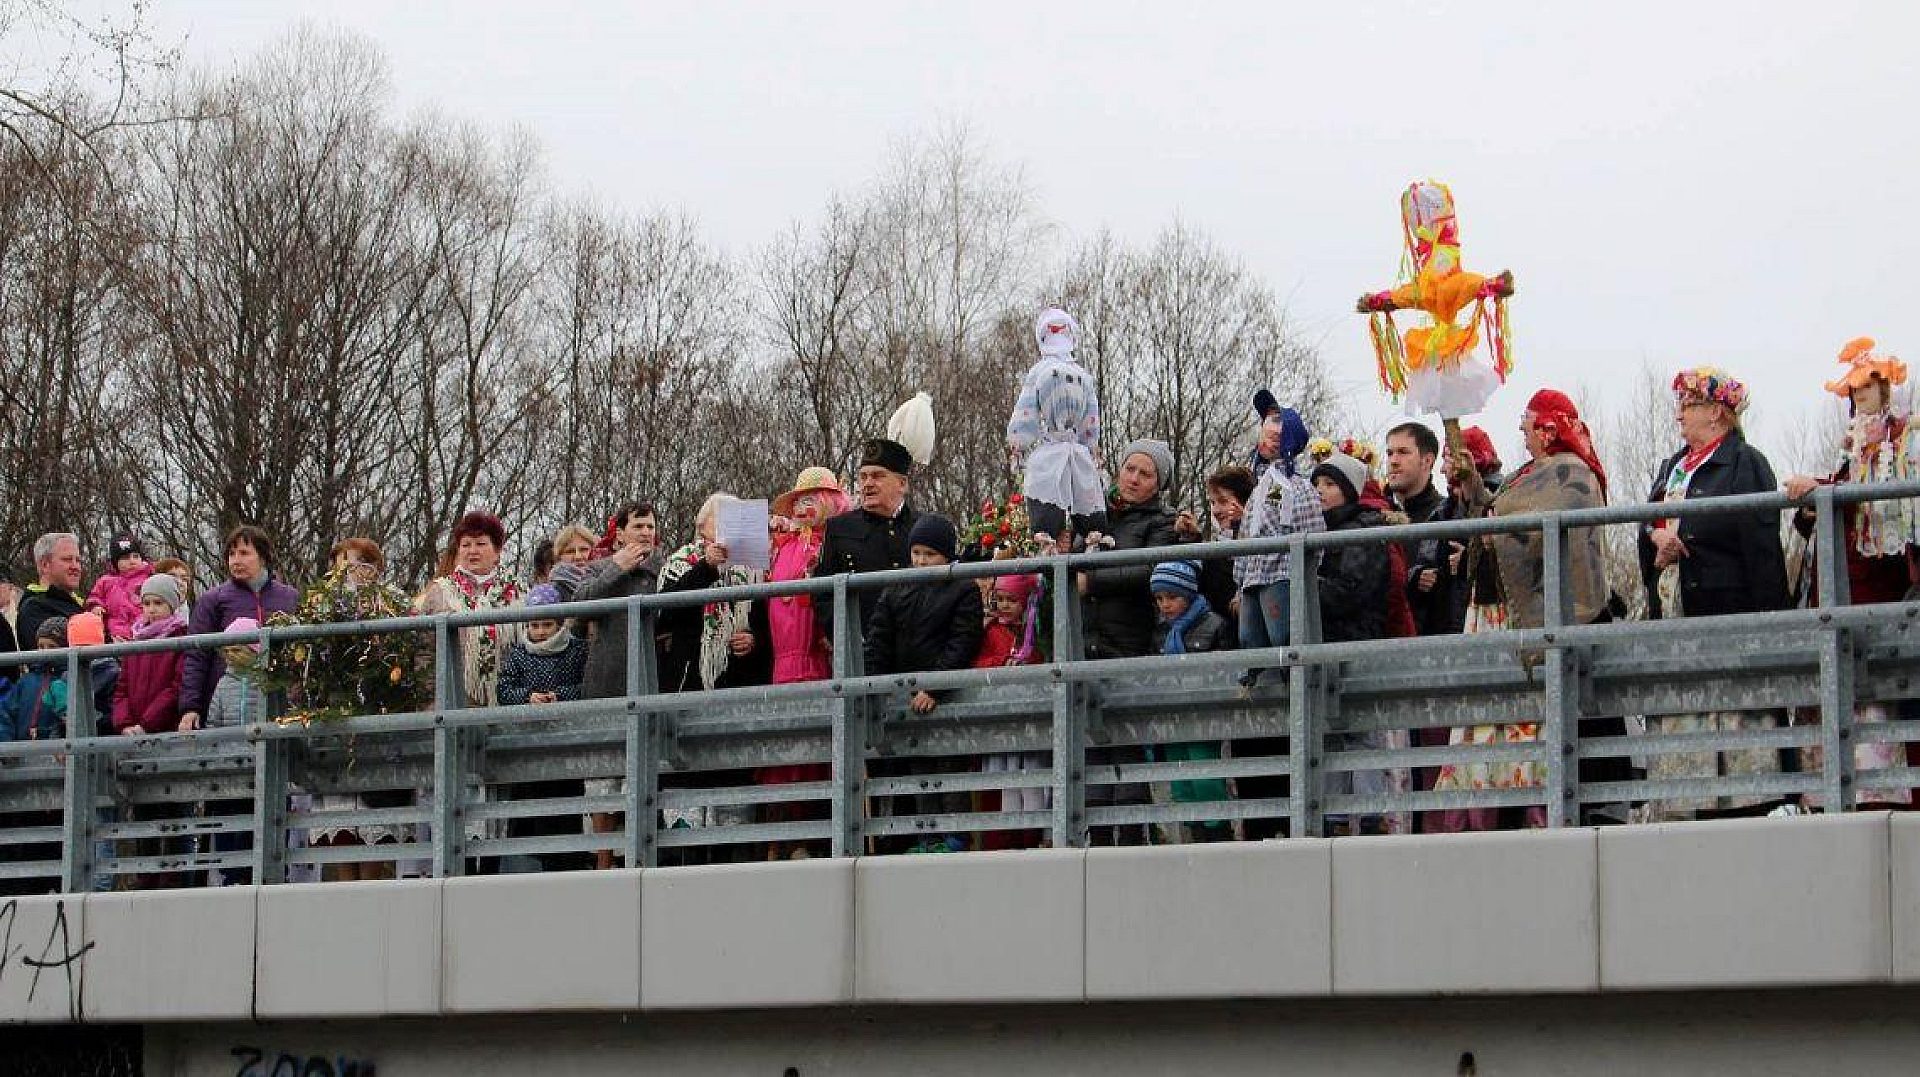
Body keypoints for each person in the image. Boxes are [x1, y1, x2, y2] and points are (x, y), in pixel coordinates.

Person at [1432, 390, 1615, 831]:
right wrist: (1473, 487)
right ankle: (1493, 806)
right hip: (1502, 615)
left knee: (1537, 721)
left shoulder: (1573, 473)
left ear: (1548, 427)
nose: (1521, 429)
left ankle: (1537, 805)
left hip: (1544, 617)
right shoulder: (1526, 473)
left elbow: (1539, 531)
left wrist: (1501, 534)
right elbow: (1497, 516)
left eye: (1528, 422)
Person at [1635, 368, 1793, 819]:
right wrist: (1655, 540)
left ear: (1718, 415)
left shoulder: (1746, 462)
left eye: (1689, 406)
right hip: (1677, 609)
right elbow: (1646, 519)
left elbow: (1760, 545)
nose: (1679, 415)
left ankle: (1745, 802)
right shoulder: (1673, 466)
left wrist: (1773, 624)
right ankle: (1684, 799)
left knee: (1734, 709)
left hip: (1730, 614)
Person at [1783, 338, 1919, 807]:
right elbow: (1846, 494)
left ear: (1884, 390)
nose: (1859, 397)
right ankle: (1841, 798)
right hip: (1845, 595)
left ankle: (1884, 799)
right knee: (1843, 698)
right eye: (1853, 391)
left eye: (1867, 388)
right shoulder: (1852, 448)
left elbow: (1881, 501)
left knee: (1880, 701)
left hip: (1883, 592)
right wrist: (1814, 507)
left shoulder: (1901, 437)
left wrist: (1821, 491)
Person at [1077, 438, 1179, 844]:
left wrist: (1093, 578)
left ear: (1158, 484)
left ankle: (1135, 843)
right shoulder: (1096, 514)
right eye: (1129, 469)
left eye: (1145, 473)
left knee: (1128, 750)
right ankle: (1098, 845)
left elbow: (1146, 570)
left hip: (1130, 642)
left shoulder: (1162, 523)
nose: (1133, 479)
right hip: (1090, 642)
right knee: (1094, 753)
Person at [864, 514, 983, 851]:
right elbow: (879, 641)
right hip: (905, 699)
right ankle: (927, 838)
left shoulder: (963, 588)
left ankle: (955, 837)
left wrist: (934, 687)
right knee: (918, 770)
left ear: (947, 555)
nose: (921, 561)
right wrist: (875, 689)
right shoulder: (896, 588)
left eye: (929, 554)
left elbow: (963, 642)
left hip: (947, 699)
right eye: (916, 553)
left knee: (949, 767)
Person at [1310, 452, 1408, 834]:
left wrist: (1308, 589)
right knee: (1331, 731)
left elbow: (1352, 591)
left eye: (1330, 485)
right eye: (1317, 484)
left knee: (1362, 731)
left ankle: (1369, 815)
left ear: (1350, 490)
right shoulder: (1322, 532)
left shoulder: (1362, 532)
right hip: (1330, 642)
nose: (1321, 492)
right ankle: (1334, 817)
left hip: (1356, 641)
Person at [759, 467, 851, 859]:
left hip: (818, 659)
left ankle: (814, 838)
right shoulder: (782, 547)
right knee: (783, 754)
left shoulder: (832, 543)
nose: (806, 504)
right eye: (800, 499)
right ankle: (784, 838)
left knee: (816, 752)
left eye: (815, 497)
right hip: (782, 663)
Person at [1233, 393, 1325, 678]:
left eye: (1277, 420)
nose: (1269, 428)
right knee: (1251, 643)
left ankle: (1292, 686)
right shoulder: (1260, 488)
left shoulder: (1298, 487)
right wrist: (1239, 579)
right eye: (1268, 419)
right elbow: (1246, 535)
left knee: (1285, 640)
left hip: (1281, 574)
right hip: (1253, 578)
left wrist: (1304, 572)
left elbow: (1315, 535)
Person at [179, 527, 301, 732]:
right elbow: (196, 655)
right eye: (231, 554)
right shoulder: (213, 600)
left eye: (244, 553)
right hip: (228, 704)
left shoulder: (290, 597)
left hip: (280, 702)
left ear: (262, 557)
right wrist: (191, 707)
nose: (236, 560)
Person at [1008, 307, 1107, 548]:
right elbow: (1029, 407)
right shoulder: (1061, 374)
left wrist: (1091, 443)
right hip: (1064, 447)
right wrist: (1091, 444)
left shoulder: (1061, 373)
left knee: (1066, 488)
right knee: (1064, 488)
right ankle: (1063, 531)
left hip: (1062, 447)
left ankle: (1073, 531)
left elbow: (1027, 411)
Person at [1148, 559, 1232, 842]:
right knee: (1181, 781)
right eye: (1160, 598)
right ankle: (1195, 833)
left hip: (1203, 715)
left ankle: (1216, 834)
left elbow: (1226, 671)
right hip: (1171, 716)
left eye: (1172, 597)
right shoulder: (1160, 631)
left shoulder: (1214, 624)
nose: (1165, 605)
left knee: (1205, 777)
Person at [813, 436, 921, 648]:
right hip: (862, 652)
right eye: (863, 477)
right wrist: (845, 639)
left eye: (878, 476)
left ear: (902, 484)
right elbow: (824, 592)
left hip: (918, 649)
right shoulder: (839, 528)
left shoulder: (924, 527)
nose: (868, 484)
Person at [657, 494, 771, 694]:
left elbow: (767, 619)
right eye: (723, 517)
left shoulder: (755, 569)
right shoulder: (681, 561)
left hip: (743, 678)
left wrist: (755, 639)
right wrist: (706, 567)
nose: (731, 524)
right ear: (701, 526)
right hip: (692, 674)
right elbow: (666, 612)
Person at [415, 512, 525, 708]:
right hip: (454, 701)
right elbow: (425, 652)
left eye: (481, 544)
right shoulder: (440, 592)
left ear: (497, 550)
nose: (473, 551)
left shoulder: (519, 592)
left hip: (510, 702)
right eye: (466, 545)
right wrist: (431, 701)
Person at [973, 572, 1050, 849]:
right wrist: (1001, 661)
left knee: (1032, 776)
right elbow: (978, 663)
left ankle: (1035, 834)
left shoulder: (1036, 632)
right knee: (1003, 779)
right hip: (1000, 719)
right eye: (1000, 599)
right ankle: (1005, 839)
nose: (1004, 605)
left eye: (1011, 600)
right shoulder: (991, 630)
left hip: (1030, 718)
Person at [574, 502, 663, 701]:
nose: (646, 532)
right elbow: (579, 607)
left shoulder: (666, 569)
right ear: (620, 534)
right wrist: (617, 569)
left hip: (656, 674)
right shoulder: (598, 568)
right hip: (608, 679)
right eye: (638, 526)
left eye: (650, 527)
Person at [111, 573, 188, 736]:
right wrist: (124, 724)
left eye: (158, 603)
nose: (151, 609)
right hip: (133, 732)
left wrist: (147, 723)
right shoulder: (136, 641)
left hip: (167, 730)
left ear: (171, 604)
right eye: (146, 603)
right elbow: (122, 689)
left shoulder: (180, 639)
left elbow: (176, 687)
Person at [498, 583, 589, 707]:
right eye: (534, 625)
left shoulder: (577, 650)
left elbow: (589, 686)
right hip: (528, 721)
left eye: (547, 625)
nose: (541, 632)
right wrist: (528, 696)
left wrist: (560, 695)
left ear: (558, 624)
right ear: (527, 625)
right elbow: (503, 690)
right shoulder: (518, 654)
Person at [1, 617, 70, 741]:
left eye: (52, 647)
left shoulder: (68, 680)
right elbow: (6, 714)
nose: (45, 652)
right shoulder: (26, 681)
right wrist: (6, 743)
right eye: (41, 646)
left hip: (58, 753)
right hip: (21, 752)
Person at [15, 532, 86, 650]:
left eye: (78, 560)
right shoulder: (34, 608)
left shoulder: (86, 605)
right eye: (67, 559)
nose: (75, 567)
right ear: (44, 565)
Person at [85, 534, 151, 643]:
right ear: (115, 562)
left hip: (144, 631)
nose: (132, 561)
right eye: (125, 558)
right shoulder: (106, 581)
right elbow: (95, 597)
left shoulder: (149, 579)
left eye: (136, 556)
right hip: (115, 634)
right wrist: (96, 606)